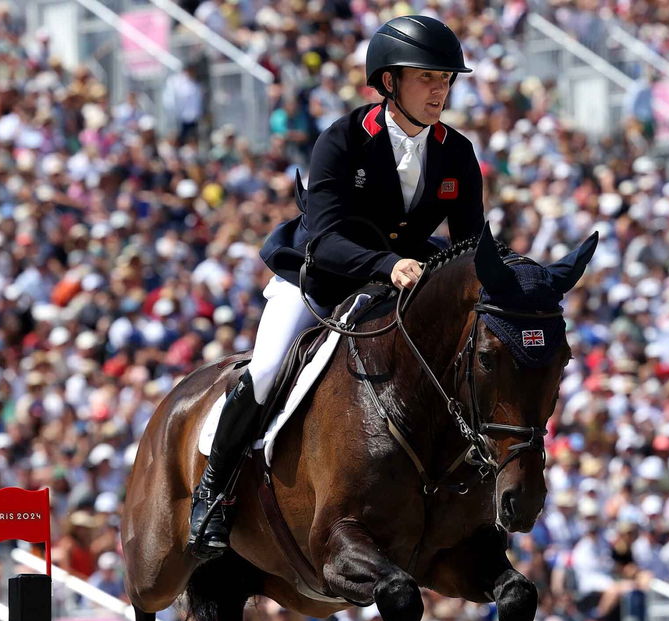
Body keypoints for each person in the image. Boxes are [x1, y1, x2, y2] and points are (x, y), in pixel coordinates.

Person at [189, 15, 483, 559]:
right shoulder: (343, 139)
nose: (440, 90)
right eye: (427, 78)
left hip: (400, 286)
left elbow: (471, 246)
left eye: (446, 79)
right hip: (320, 279)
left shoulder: (457, 152)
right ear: (389, 82)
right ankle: (214, 494)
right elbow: (324, 239)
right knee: (268, 369)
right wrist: (388, 262)